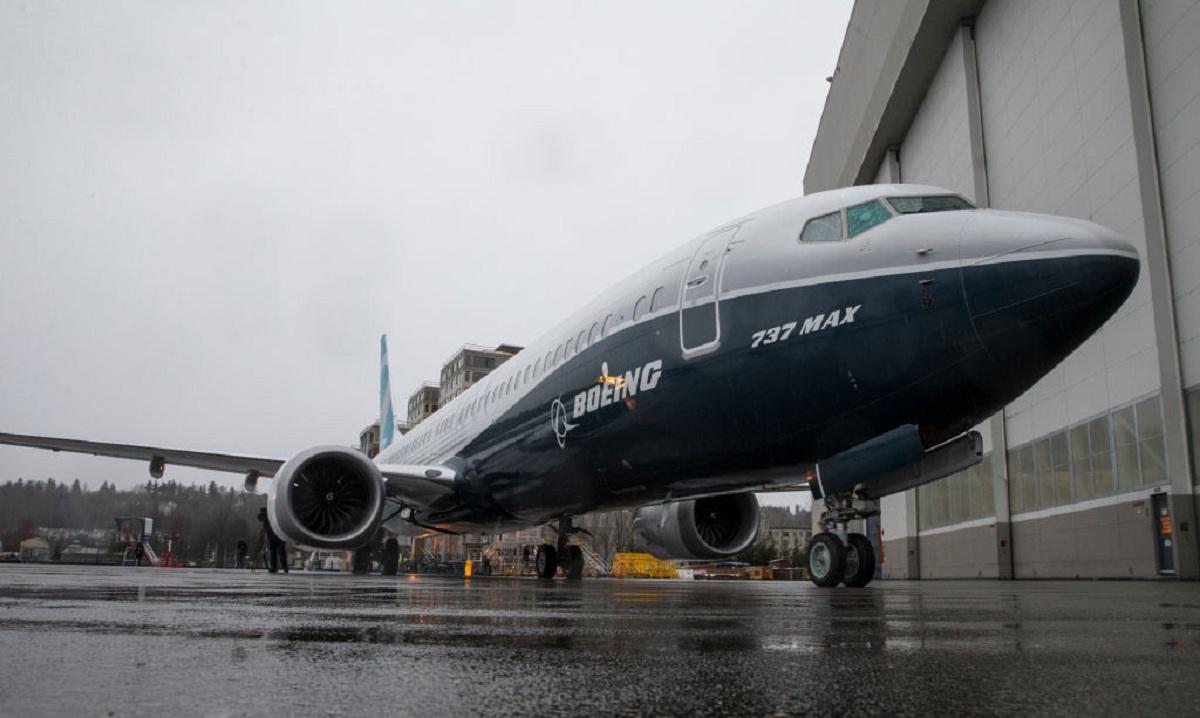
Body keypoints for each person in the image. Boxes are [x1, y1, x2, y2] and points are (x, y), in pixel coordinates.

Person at [257, 507, 288, 574]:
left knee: (277, 553)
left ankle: (277, 567)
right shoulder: (271, 515)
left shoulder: (270, 515)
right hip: (275, 537)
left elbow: (259, 517)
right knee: (277, 553)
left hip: (277, 536)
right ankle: (280, 567)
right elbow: (259, 517)